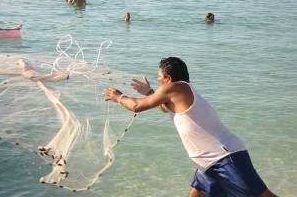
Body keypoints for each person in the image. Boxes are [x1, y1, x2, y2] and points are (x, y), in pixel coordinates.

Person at [103, 57, 278, 197]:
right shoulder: (179, 92)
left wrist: (118, 96)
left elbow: (136, 106)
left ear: (168, 79)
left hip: (224, 157)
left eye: (159, 76)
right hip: (207, 163)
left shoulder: (176, 88)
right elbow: (164, 107)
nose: (158, 79)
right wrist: (149, 93)